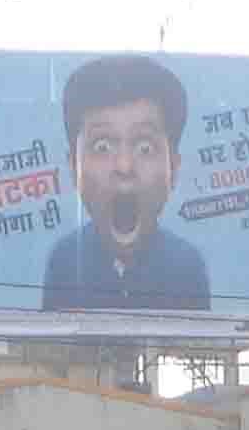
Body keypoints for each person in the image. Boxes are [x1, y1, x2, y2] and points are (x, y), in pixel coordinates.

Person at [31, 53, 216, 314]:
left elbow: (198, 350)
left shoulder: (186, 264)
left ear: (173, 168)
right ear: (74, 167)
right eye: (103, 146)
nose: (124, 166)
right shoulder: (66, 260)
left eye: (144, 147)